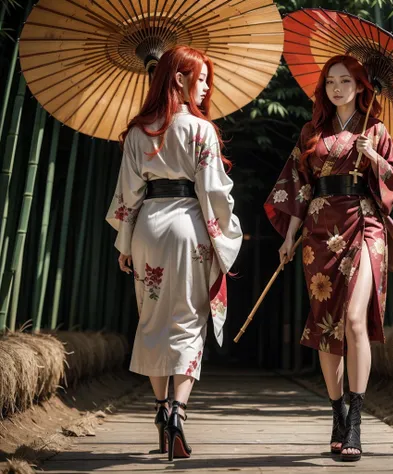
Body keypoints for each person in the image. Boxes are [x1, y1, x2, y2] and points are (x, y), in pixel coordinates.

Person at [264, 55, 393, 462]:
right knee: (327, 324)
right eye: (331, 81)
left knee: (352, 320)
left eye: (346, 81)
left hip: (365, 223)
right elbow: (296, 185)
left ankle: (357, 420)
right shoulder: (311, 131)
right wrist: (289, 238)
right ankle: (336, 412)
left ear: (362, 86)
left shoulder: (376, 130)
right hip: (318, 231)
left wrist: (375, 156)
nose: (337, 87)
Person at [106, 45, 242, 461]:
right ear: (179, 79)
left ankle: (160, 409)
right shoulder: (201, 131)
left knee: (151, 320)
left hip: (148, 224)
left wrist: (125, 243)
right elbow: (214, 192)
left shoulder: (137, 132)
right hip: (189, 227)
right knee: (187, 321)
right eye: (199, 78)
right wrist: (226, 237)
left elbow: (128, 195)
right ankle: (179, 411)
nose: (204, 88)